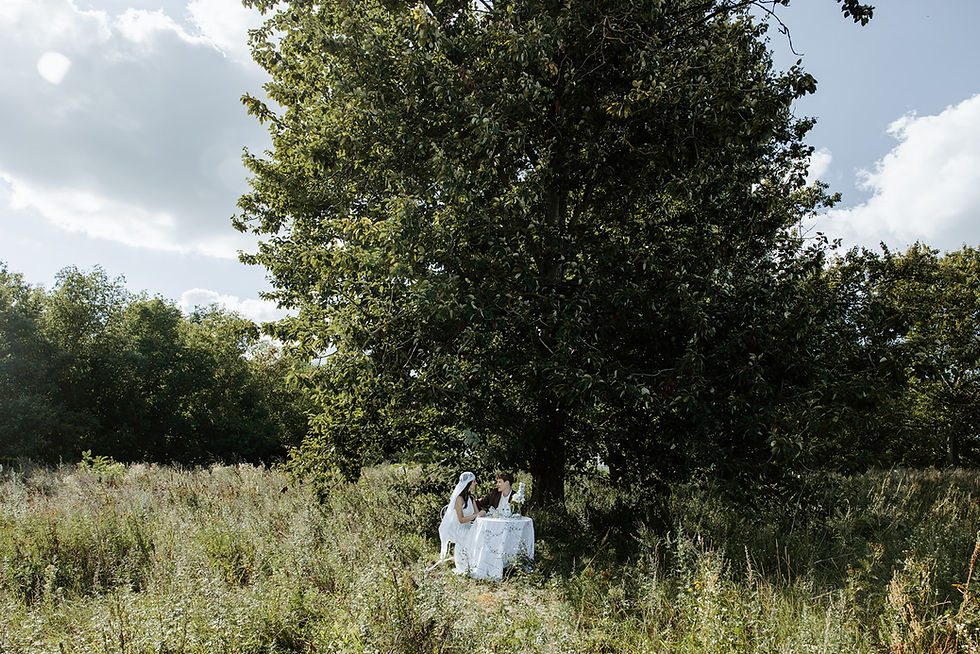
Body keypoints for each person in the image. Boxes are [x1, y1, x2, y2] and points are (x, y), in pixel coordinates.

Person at [437, 471, 486, 569]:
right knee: (475, 535)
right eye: (474, 481)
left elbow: (477, 514)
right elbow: (461, 520)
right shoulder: (459, 499)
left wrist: (483, 514)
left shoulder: (471, 498)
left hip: (469, 527)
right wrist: (476, 515)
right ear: (469, 483)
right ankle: (466, 564)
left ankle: (479, 562)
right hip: (460, 528)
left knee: (483, 534)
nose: (475, 483)